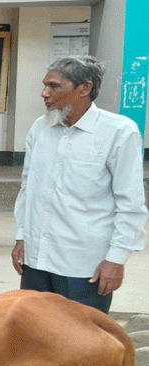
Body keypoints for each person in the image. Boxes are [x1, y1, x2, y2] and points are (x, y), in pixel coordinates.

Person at [12, 55, 147, 314]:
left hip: (85, 266)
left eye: (54, 86)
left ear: (84, 88)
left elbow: (130, 204)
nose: (44, 93)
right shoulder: (40, 128)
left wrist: (116, 260)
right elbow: (29, 187)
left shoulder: (119, 132)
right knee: (36, 337)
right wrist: (22, 236)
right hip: (36, 260)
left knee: (82, 343)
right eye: (45, 85)